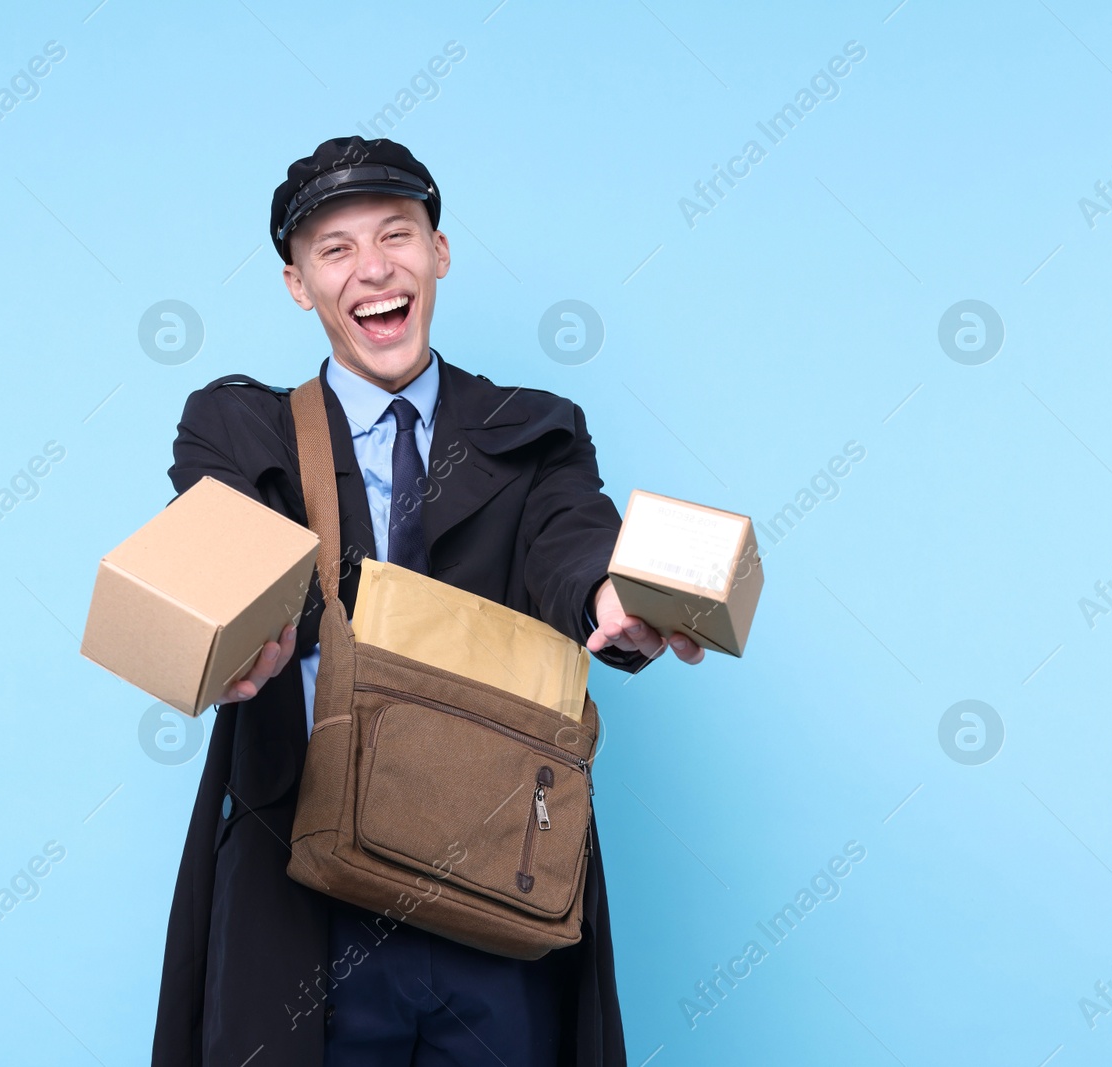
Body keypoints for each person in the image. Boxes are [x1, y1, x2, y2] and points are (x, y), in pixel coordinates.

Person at [151, 135, 703, 1067]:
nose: (373, 269)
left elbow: (572, 542)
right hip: (303, 892)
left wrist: (614, 596)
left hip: (492, 889)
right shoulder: (240, 428)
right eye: (335, 249)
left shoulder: (533, 431)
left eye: (396, 235)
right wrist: (246, 633)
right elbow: (222, 544)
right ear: (298, 283)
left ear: (438, 254)